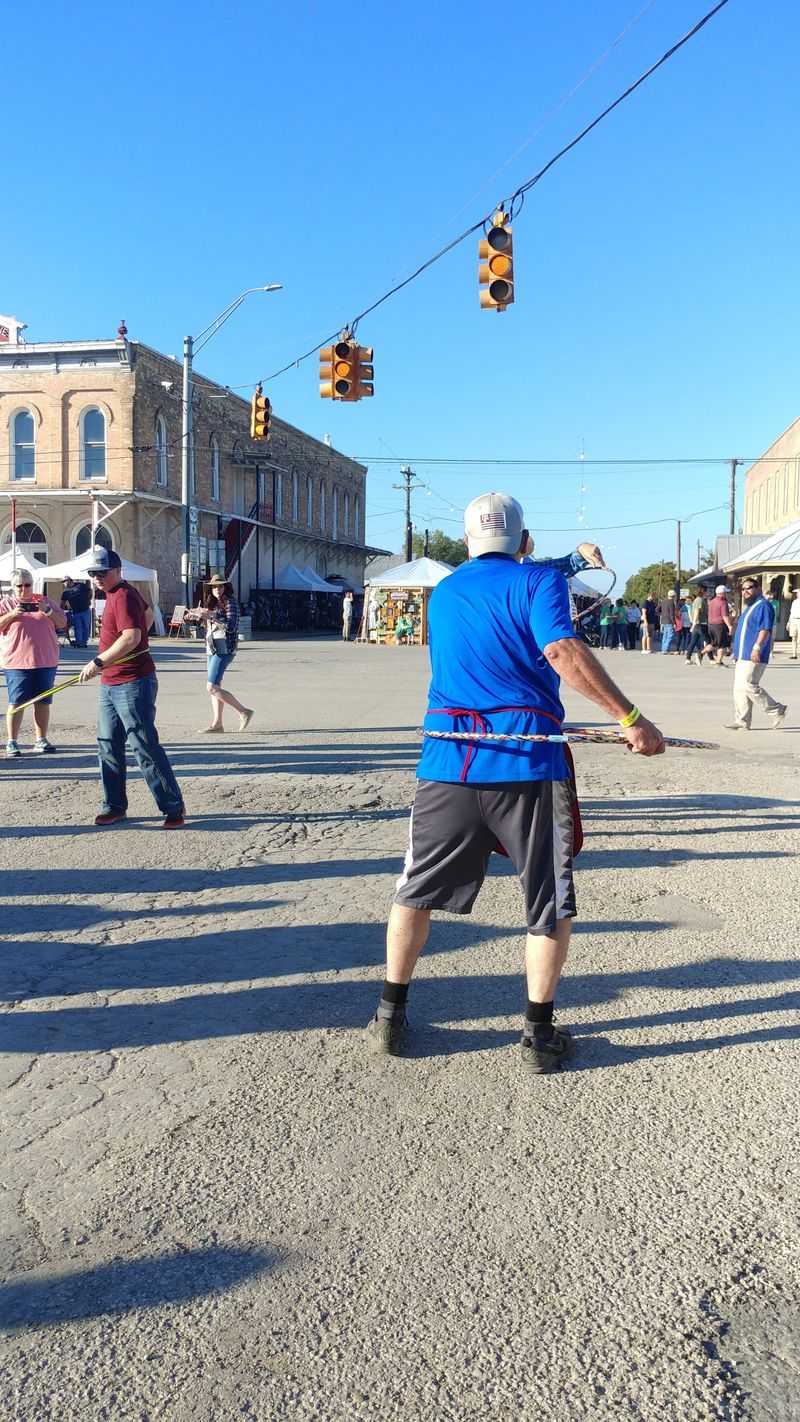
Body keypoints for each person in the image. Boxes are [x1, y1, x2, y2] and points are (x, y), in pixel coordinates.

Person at [365, 491, 664, 1074]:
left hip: (448, 763)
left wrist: (569, 561)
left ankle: (388, 1016)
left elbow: (510, 585)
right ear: (524, 541)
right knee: (549, 900)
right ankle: (537, 1034)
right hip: (526, 767)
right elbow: (561, 649)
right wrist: (631, 719)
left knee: (414, 888)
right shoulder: (538, 584)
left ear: (469, 542)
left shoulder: (446, 591)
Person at [78, 547, 186, 827]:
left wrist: (99, 662)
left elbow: (132, 636)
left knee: (143, 745)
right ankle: (114, 806)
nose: (97, 578)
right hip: (111, 683)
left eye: (102, 572)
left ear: (117, 571)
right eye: (93, 574)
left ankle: (173, 808)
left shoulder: (124, 595)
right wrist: (109, 664)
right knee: (108, 745)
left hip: (132, 682)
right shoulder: (120, 594)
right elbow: (148, 614)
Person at [0, 572, 68, 756]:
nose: (24, 589)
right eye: (19, 586)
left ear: (33, 585)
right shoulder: (6, 604)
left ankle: (41, 739)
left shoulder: (45, 601)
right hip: (16, 662)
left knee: (43, 702)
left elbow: (62, 623)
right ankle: (12, 742)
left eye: (27, 585)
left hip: (45, 660)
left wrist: (47, 611)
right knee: (17, 702)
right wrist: (12, 615)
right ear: (13, 588)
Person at [186, 574, 252, 733]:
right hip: (212, 647)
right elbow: (206, 625)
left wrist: (212, 616)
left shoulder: (231, 603)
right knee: (216, 686)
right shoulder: (212, 603)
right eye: (214, 587)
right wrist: (194, 617)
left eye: (220, 586)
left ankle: (244, 711)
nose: (217, 589)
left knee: (211, 687)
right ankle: (217, 723)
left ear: (225, 587)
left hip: (225, 648)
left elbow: (231, 626)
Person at [725, 577, 787, 732]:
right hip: (742, 654)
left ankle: (776, 709)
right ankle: (742, 720)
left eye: (749, 587)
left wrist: (757, 647)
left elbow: (764, 629)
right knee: (739, 688)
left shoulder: (763, 606)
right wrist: (736, 651)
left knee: (748, 685)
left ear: (758, 588)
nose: (746, 591)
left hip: (754, 654)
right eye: (743, 589)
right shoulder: (750, 607)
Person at [60, 576, 92, 649]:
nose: (64, 583)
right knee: (78, 627)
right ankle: (79, 643)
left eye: (65, 581)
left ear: (69, 580)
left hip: (86, 610)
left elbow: (90, 591)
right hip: (76, 612)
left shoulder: (81, 585)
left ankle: (84, 642)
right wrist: (61, 611)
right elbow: (62, 603)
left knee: (86, 627)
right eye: (63, 582)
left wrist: (88, 599)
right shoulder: (65, 592)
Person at [706, 584, 734, 666]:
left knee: (714, 643)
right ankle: (719, 661)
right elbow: (724, 615)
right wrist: (729, 626)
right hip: (719, 625)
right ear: (722, 593)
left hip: (711, 625)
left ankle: (701, 653)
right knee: (722, 645)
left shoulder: (712, 601)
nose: (726, 594)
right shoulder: (723, 602)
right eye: (725, 592)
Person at [684, 588, 709, 665]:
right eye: (707, 591)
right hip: (700, 624)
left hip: (698, 624)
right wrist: (694, 623)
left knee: (693, 641)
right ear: (703, 592)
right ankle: (706, 657)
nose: (708, 593)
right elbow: (696, 612)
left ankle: (688, 658)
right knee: (709, 642)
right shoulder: (699, 600)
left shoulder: (698, 600)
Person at [788, 588, 800, 659]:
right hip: (793, 620)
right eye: (797, 593)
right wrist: (788, 622)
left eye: (798, 593)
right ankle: (794, 654)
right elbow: (791, 613)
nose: (797, 594)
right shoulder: (794, 602)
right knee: (793, 637)